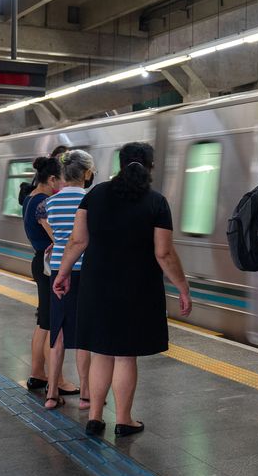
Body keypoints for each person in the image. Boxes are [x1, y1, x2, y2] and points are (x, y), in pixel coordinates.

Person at [55, 142, 192, 437]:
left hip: (96, 284)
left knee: (101, 351)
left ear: (120, 164)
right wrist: (183, 288)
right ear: (151, 167)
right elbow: (164, 254)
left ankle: (94, 417)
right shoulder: (156, 202)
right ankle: (124, 419)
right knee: (125, 355)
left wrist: (62, 273)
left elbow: (78, 242)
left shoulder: (94, 196)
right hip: (137, 287)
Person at [20, 154, 78, 396]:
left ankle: (37, 374)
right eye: (61, 180)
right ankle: (59, 381)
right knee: (54, 324)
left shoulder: (30, 199)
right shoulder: (44, 202)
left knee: (44, 322)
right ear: (52, 178)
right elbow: (58, 237)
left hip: (39, 261)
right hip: (48, 265)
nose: (63, 185)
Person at [40, 150, 93, 410]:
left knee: (57, 332)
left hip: (58, 270)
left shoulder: (51, 203)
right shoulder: (90, 200)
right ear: (86, 173)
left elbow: (59, 235)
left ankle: (51, 394)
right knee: (84, 332)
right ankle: (85, 395)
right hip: (85, 269)